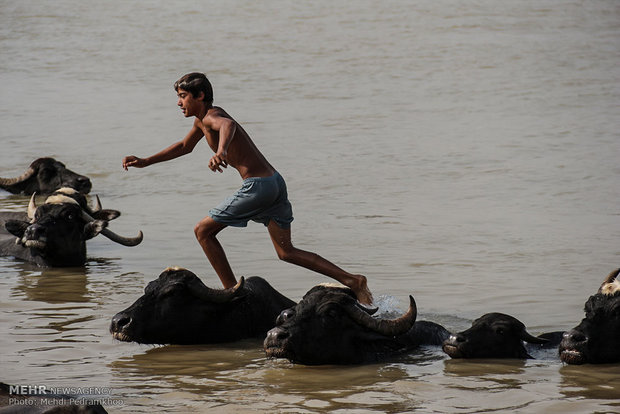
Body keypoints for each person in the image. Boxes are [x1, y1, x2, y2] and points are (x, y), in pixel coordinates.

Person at [122, 72, 373, 305]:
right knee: (286, 252)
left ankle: (233, 293)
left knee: (203, 231)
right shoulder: (201, 123)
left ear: (200, 96)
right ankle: (352, 280)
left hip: (258, 186)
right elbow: (184, 147)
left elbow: (228, 125)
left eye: (182, 96)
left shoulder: (211, 116)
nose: (179, 103)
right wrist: (145, 161)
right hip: (274, 182)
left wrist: (221, 151)